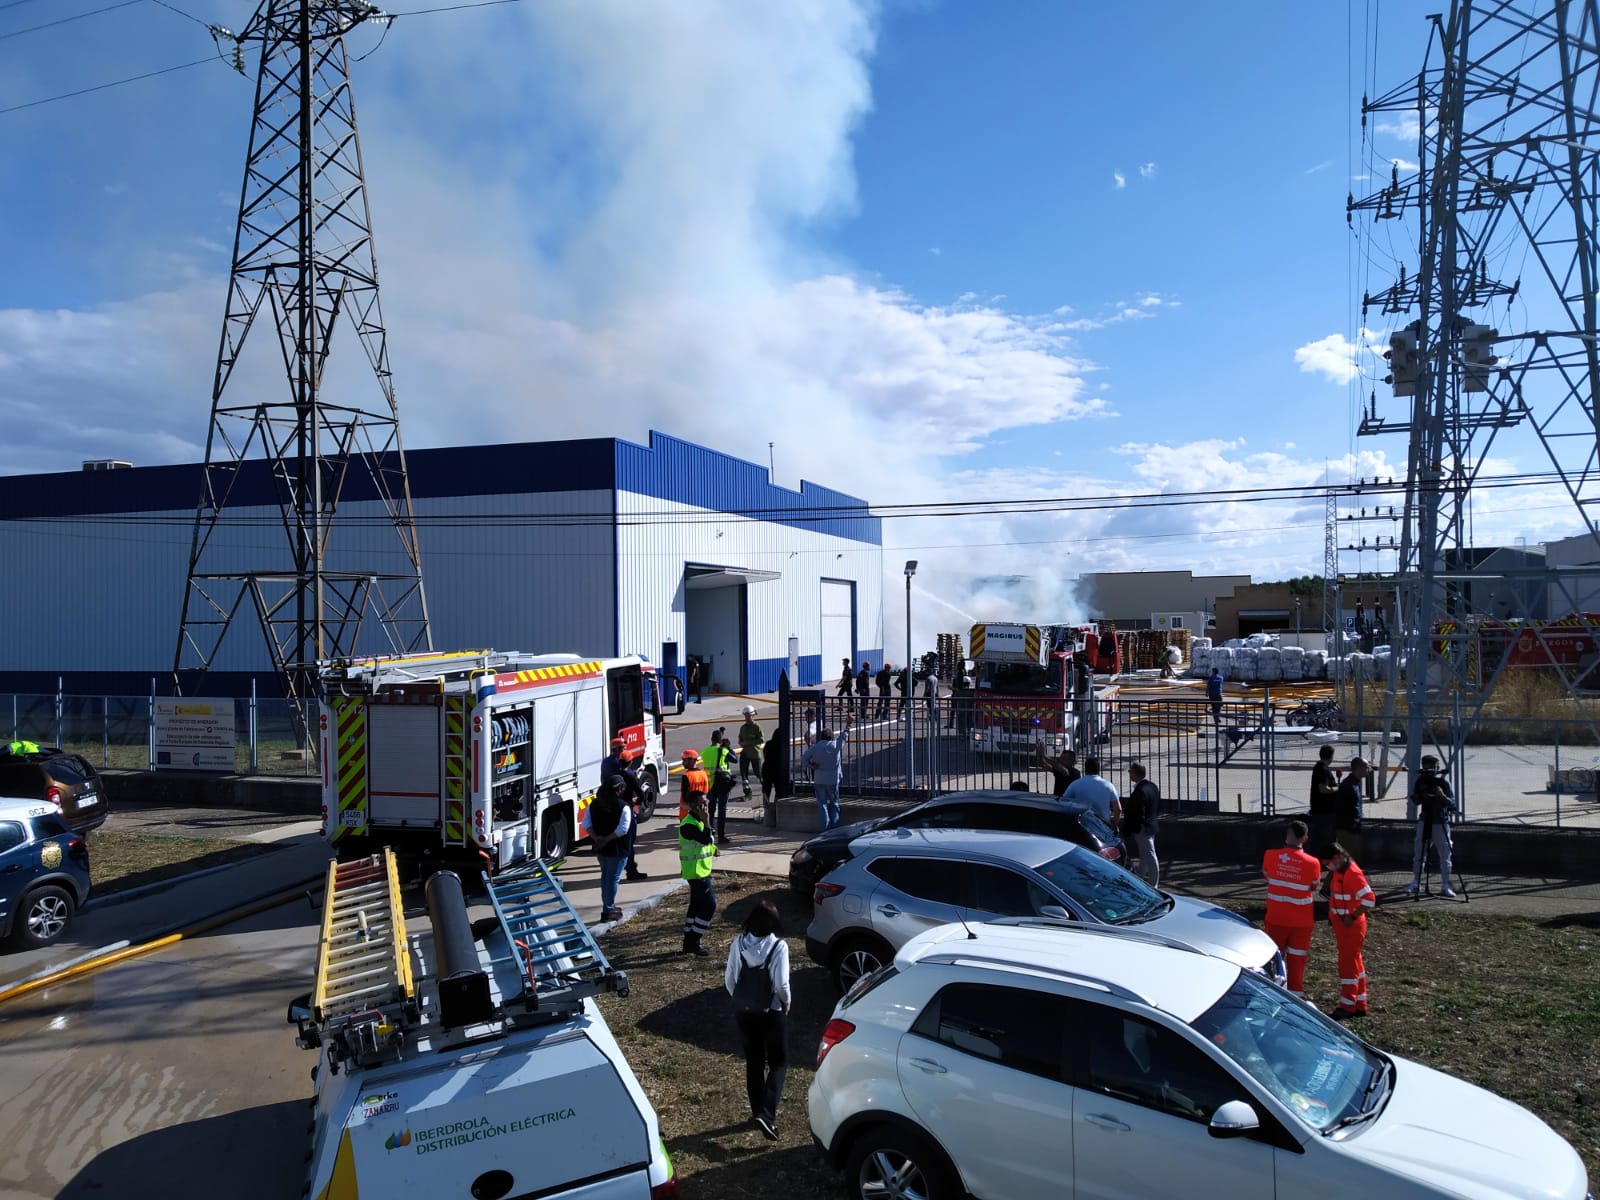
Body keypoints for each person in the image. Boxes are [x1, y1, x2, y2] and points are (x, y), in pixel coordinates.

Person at [725, 898, 791, 1140]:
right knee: (778, 1062)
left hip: (745, 1013)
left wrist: (742, 1001)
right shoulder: (778, 948)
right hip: (771, 1012)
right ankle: (767, 1114)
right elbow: (781, 984)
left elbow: (730, 979)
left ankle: (756, 1111)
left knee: (753, 1061)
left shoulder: (738, 944)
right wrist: (786, 1001)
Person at [1263, 820, 1323, 999]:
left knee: (1274, 959)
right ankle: (1296, 996)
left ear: (1287, 834)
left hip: (1276, 917)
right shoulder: (1313, 863)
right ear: (1305, 839)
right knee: (1297, 959)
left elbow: (1268, 877)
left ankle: (1273, 994)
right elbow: (1313, 886)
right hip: (1301, 921)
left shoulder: (1270, 856)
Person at [1325, 843, 1375, 1017]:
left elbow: (1369, 900)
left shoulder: (1352, 874)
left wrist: (1352, 917)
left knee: (1347, 964)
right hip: (1344, 925)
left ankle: (1347, 1004)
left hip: (1351, 926)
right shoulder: (1340, 872)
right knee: (1355, 962)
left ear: (1338, 857)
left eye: (1328, 862)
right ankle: (1360, 1003)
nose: (1327, 866)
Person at [1405, 754, 1458, 897]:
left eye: (1434, 767)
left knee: (1445, 855)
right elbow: (1416, 801)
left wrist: (1442, 796)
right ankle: (1416, 882)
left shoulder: (1444, 783)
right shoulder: (1420, 781)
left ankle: (1445, 885)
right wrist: (1418, 794)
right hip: (1425, 820)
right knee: (1419, 854)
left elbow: (1453, 804)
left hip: (1440, 821)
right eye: (1428, 767)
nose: (1432, 771)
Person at [600, 737, 649, 881]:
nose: (624, 750)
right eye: (621, 748)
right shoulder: (621, 769)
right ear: (615, 749)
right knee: (628, 840)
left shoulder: (607, 762)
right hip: (624, 806)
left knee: (617, 839)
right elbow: (639, 792)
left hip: (610, 806)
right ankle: (631, 870)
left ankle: (617, 868)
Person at [678, 790, 719, 956]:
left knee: (695, 905)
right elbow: (703, 838)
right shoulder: (688, 824)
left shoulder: (699, 821)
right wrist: (707, 821)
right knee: (709, 905)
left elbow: (707, 840)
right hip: (696, 872)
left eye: (706, 801)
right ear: (694, 806)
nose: (706, 805)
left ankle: (689, 940)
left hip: (701, 870)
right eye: (702, 803)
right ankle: (694, 940)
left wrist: (714, 848)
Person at [589, 773, 633, 922]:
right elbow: (623, 829)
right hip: (618, 849)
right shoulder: (623, 807)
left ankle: (608, 906)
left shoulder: (594, 804)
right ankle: (608, 910)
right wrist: (607, 839)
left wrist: (597, 839)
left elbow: (586, 824)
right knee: (613, 879)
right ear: (620, 789)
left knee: (605, 877)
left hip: (601, 849)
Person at [802, 718, 852, 831]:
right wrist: (848, 725)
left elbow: (804, 759)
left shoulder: (815, 747)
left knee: (822, 805)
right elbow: (844, 737)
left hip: (819, 779)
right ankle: (834, 828)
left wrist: (812, 766)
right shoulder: (835, 746)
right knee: (834, 804)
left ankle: (824, 828)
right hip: (833, 779)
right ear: (831, 737)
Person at [1122, 762, 1161, 886]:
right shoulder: (1152, 787)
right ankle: (1141, 877)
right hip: (1151, 825)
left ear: (1135, 773)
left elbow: (1137, 812)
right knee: (1144, 854)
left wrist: (1136, 827)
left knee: (1150, 855)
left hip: (1142, 828)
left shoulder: (1141, 791)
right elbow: (1157, 806)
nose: (1129, 774)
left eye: (1130, 772)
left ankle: (1154, 883)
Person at [1063, 755, 1121, 826]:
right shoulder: (1108, 786)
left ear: (1085, 769)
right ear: (1098, 769)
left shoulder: (1075, 784)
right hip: (1103, 826)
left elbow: (1064, 803)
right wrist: (1113, 824)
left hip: (1082, 826)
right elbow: (1118, 809)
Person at [1334, 756, 1369, 866]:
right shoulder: (1349, 785)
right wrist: (1349, 827)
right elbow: (1341, 808)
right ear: (1359, 768)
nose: (1368, 769)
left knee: (1348, 860)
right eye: (1366, 767)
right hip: (1348, 829)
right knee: (1347, 861)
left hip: (1352, 827)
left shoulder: (1354, 783)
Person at [1308, 743, 1339, 857]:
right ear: (1331, 756)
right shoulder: (1323, 770)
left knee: (1318, 836)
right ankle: (1323, 859)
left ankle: (1317, 858)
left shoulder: (1317, 767)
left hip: (1318, 808)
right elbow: (1323, 789)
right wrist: (1336, 789)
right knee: (1326, 837)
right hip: (1324, 810)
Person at [737, 706, 764, 797]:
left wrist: (748, 743)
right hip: (745, 754)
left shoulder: (757, 727)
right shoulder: (743, 728)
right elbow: (740, 738)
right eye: (745, 716)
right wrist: (741, 743)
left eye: (748, 716)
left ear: (753, 716)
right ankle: (747, 792)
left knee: (758, 773)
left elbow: (761, 740)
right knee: (743, 774)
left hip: (754, 754)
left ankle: (765, 787)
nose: (747, 718)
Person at [760, 728, 785, 824]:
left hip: (767, 769)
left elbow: (765, 755)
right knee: (779, 791)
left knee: (766, 791)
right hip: (778, 770)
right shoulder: (781, 745)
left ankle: (767, 815)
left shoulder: (769, 744)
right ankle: (776, 812)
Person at [679, 747, 709, 820]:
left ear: (692, 760)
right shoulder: (703, 774)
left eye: (684, 760)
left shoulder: (686, 776)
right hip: (702, 812)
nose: (683, 763)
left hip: (687, 814)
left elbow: (685, 797)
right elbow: (706, 792)